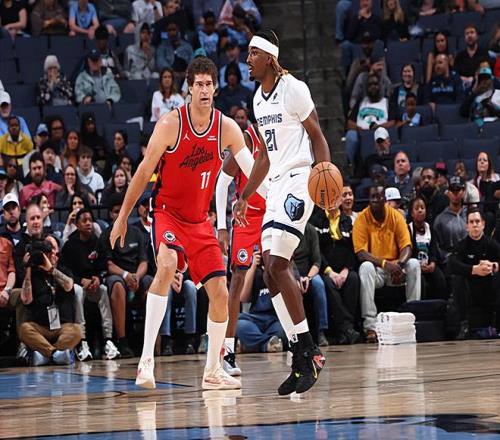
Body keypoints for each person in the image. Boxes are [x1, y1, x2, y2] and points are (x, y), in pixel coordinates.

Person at [109, 57, 266, 391]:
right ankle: (146, 360)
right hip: (167, 212)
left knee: (220, 293)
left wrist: (278, 194)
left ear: (215, 88)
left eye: (209, 84)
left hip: (199, 221)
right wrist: (122, 216)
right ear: (189, 89)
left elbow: (253, 172)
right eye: (199, 85)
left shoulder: (227, 128)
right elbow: (143, 172)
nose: (204, 90)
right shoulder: (170, 124)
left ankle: (213, 370)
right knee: (166, 265)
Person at [233, 30, 330, 395]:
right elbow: (263, 155)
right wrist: (244, 196)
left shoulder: (294, 89)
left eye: (252, 54)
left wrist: (325, 176)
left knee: (277, 264)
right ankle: (300, 353)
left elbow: (317, 135)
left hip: (300, 180)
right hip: (275, 185)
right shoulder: (257, 99)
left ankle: (309, 351)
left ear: (269, 58)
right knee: (269, 273)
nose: (247, 60)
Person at [216, 122, 266, 376]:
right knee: (237, 281)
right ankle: (227, 351)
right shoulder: (246, 139)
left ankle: (298, 341)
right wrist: (221, 227)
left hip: (271, 213)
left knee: (281, 272)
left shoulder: (283, 136)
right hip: (246, 218)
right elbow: (221, 183)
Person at [353, 185, 421, 342]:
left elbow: (407, 247)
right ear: (369, 200)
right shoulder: (362, 218)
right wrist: (385, 264)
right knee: (365, 267)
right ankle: (370, 326)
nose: (376, 200)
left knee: (414, 264)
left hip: (396, 269)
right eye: (373, 197)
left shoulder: (396, 216)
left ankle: (412, 320)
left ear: (385, 199)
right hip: (377, 271)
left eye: (379, 197)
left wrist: (399, 266)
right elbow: (361, 253)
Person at [60, 208, 118, 361]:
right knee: (78, 291)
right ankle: (82, 341)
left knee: (103, 290)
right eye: (84, 221)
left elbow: (104, 266)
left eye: (90, 220)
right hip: (77, 285)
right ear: (77, 225)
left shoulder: (97, 242)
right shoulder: (70, 245)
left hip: (93, 285)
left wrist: (98, 278)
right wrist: (80, 280)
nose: (88, 224)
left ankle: (108, 340)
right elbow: (65, 270)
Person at [102, 193, 153, 358]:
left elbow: (144, 262)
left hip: (136, 275)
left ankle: (151, 340)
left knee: (151, 282)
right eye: (116, 211)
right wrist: (126, 275)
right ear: (111, 214)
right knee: (117, 284)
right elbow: (108, 265)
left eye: (122, 211)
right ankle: (122, 340)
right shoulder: (106, 234)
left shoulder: (136, 233)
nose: (119, 214)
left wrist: (136, 277)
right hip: (118, 275)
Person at [18, 230, 81, 365]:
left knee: (77, 331)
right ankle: (56, 355)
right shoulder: (33, 274)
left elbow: (69, 286)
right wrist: (28, 268)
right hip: (41, 327)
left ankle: (44, 355)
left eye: (48, 254)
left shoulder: (62, 269)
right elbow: (26, 299)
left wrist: (51, 269)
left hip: (62, 327)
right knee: (24, 329)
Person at [449, 208, 500, 339]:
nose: (475, 225)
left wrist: (494, 266)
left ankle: (496, 325)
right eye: (471, 222)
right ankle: (464, 324)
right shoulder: (461, 246)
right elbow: (452, 264)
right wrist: (473, 269)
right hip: (470, 288)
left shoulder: (491, 244)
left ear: (483, 224)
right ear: (467, 226)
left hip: (489, 287)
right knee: (457, 278)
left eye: (477, 221)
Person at [236, 252, 286, 352]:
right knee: (238, 324)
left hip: (275, 318)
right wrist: (253, 267)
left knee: (283, 331)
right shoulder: (254, 270)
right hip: (254, 318)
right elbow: (243, 298)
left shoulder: (282, 266)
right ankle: (267, 345)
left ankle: (249, 346)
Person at [408, 196, 447, 299]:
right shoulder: (408, 229)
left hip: (429, 264)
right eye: (417, 208)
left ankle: (441, 305)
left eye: (422, 208)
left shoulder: (430, 228)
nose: (420, 210)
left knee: (440, 279)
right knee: (422, 283)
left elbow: (433, 248)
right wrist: (419, 266)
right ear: (412, 213)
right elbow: (408, 251)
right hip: (415, 266)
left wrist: (433, 263)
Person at [433, 176, 468, 266]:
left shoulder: (471, 215)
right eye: (452, 190)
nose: (455, 193)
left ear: (464, 192)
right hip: (449, 262)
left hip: (470, 258)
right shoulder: (440, 219)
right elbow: (437, 246)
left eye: (458, 190)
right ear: (448, 192)